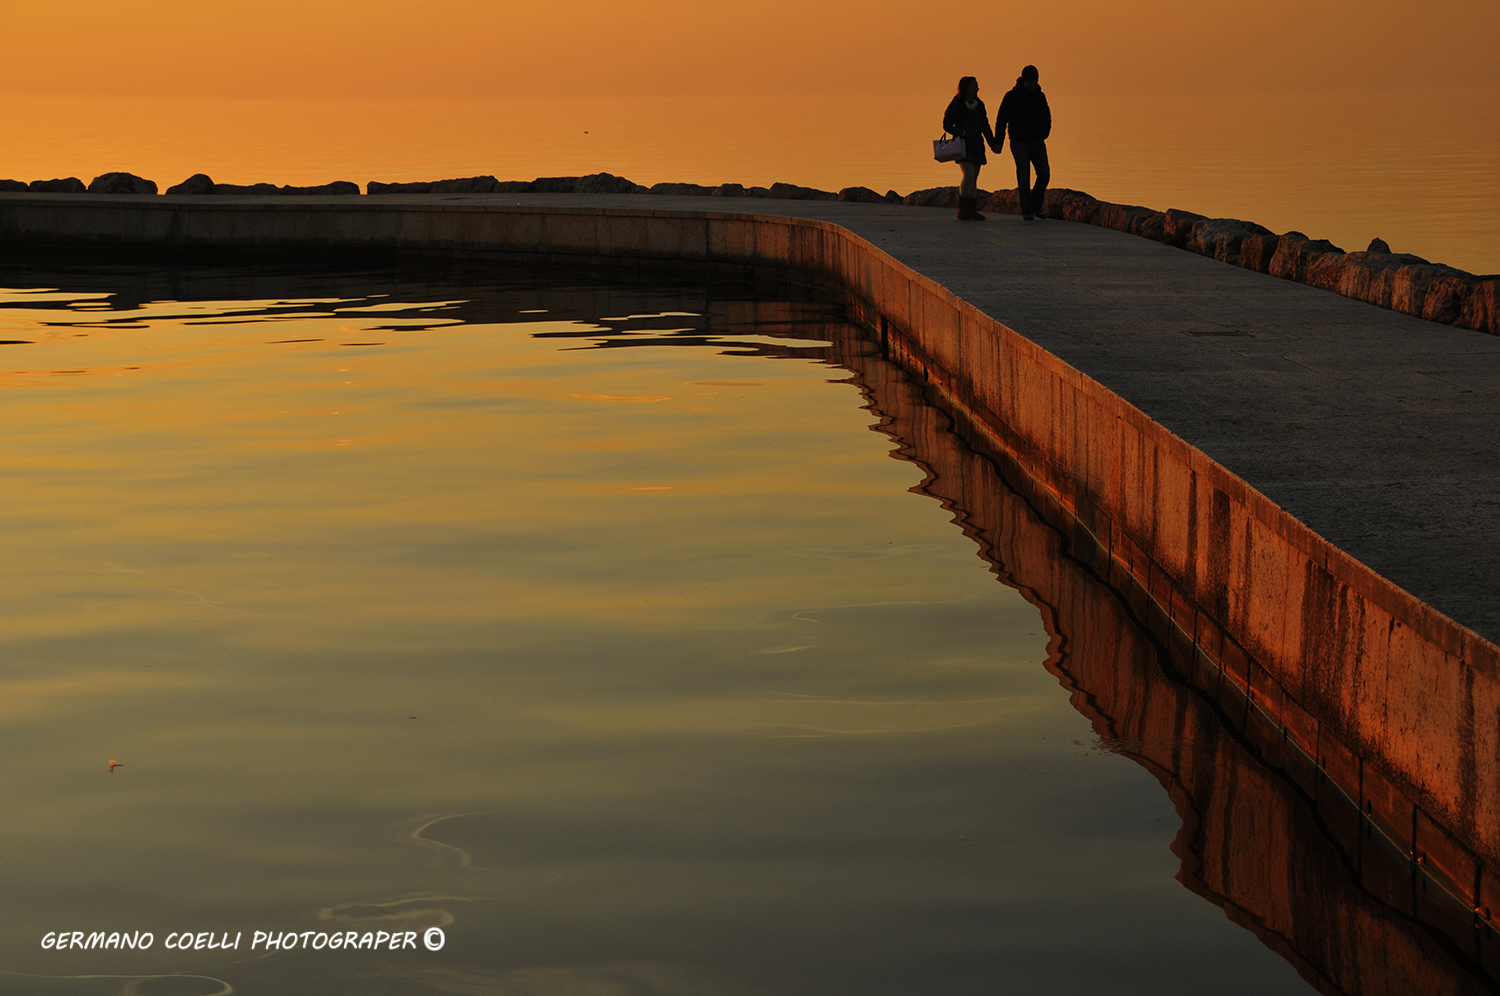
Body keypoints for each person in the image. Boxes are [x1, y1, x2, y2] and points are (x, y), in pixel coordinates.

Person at [994, 65, 1051, 220]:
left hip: (1037, 140)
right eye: (1028, 82)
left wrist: (1045, 133)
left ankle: (1036, 206)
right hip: (1019, 142)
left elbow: (1047, 115)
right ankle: (1027, 210)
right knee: (1023, 176)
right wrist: (998, 142)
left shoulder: (1040, 96)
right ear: (1023, 81)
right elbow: (1001, 120)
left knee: (1044, 174)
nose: (1031, 85)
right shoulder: (1012, 96)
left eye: (1033, 82)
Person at [942, 76, 1000, 221]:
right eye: (975, 86)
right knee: (969, 175)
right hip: (963, 145)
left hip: (977, 144)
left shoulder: (979, 105)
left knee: (974, 178)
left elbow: (985, 126)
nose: (977, 89)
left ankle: (972, 210)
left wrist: (993, 143)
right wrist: (961, 132)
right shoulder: (956, 104)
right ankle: (961, 209)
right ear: (966, 88)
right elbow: (947, 124)